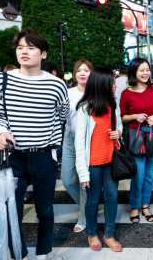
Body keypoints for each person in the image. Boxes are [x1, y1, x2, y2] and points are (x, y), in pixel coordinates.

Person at [0, 29, 69, 260]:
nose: (24, 51)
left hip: (44, 157)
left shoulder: (57, 85)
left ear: (43, 54)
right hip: (13, 157)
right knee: (11, 211)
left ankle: (43, 253)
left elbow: (61, 116)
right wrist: (0, 131)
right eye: (20, 47)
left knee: (45, 211)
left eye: (30, 47)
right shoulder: (2, 80)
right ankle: (21, 254)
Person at [75, 67, 123, 252]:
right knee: (92, 201)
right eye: (112, 82)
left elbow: (118, 126)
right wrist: (83, 172)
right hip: (92, 165)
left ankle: (109, 234)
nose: (115, 85)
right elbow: (79, 142)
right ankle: (93, 233)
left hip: (112, 162)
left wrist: (118, 132)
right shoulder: (85, 108)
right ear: (103, 84)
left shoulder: (113, 105)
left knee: (112, 198)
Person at [120, 58, 153, 223]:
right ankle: (134, 206)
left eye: (147, 70)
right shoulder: (126, 93)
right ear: (134, 73)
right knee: (138, 174)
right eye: (141, 70)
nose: (145, 73)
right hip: (135, 134)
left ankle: (145, 205)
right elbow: (123, 117)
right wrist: (135, 116)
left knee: (150, 174)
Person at [61, 59, 93, 233]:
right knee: (67, 180)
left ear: (91, 73)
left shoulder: (96, 95)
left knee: (83, 182)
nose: (82, 73)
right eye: (79, 70)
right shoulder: (68, 93)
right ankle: (88, 206)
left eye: (86, 70)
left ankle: (83, 217)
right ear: (74, 74)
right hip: (69, 138)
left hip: (88, 141)